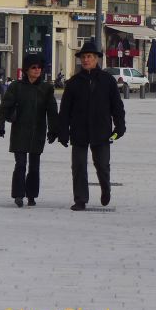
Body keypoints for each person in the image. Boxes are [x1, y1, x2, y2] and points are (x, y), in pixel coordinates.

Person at [57, 39, 126, 211]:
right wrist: (63, 132)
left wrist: (120, 126)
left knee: (102, 164)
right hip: (79, 131)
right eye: (83, 57)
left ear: (96, 59)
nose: (86, 60)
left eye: (89, 56)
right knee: (79, 166)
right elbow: (65, 111)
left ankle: (105, 187)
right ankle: (80, 199)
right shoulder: (73, 83)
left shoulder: (107, 80)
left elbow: (117, 106)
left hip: (101, 130)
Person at [0, 54, 58, 207]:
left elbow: (52, 111)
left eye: (39, 68)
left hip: (38, 132)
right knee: (20, 164)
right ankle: (18, 195)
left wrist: (54, 130)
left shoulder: (46, 88)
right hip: (20, 131)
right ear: (27, 69)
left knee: (34, 166)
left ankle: (31, 195)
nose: (37, 70)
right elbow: (5, 107)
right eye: (33, 67)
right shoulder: (16, 86)